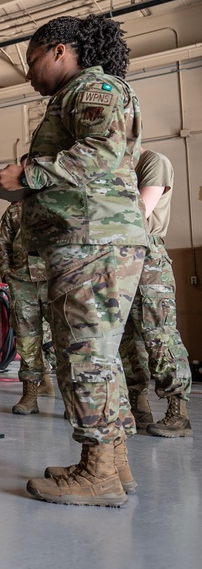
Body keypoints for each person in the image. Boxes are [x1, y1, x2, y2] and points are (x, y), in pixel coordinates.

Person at [0, 14, 146, 507]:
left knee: (84, 357)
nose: (29, 73)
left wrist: (28, 174)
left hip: (91, 240)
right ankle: (114, 462)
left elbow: (99, 153)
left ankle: (96, 473)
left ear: (59, 50)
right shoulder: (82, 93)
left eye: (32, 60)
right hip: (91, 239)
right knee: (99, 355)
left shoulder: (92, 87)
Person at [118, 149, 192, 437]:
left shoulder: (152, 161)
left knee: (158, 335)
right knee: (126, 340)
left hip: (147, 257)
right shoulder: (111, 167)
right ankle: (139, 406)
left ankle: (178, 412)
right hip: (119, 260)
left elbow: (139, 213)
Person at [0, 154, 56, 416]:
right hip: (22, 281)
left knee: (63, 339)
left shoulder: (57, 203)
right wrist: (8, 275)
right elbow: (4, 244)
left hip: (54, 280)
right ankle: (30, 394)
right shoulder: (15, 208)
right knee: (27, 338)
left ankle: (70, 394)